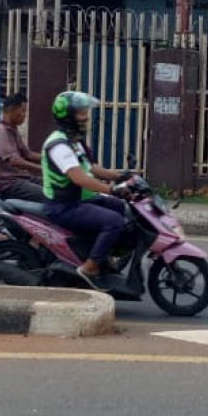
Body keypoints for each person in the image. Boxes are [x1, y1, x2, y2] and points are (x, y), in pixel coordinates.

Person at [40, 90, 135, 289]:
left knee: (119, 207)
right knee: (114, 222)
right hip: (63, 206)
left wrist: (121, 176)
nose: (86, 117)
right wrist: (111, 189)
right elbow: (79, 178)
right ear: (68, 117)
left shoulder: (73, 141)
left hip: (79, 199)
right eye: (81, 113)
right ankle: (90, 267)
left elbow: (91, 167)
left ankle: (100, 254)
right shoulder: (59, 145)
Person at [0, 93, 45, 203]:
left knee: (56, 188)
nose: (25, 115)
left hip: (22, 178)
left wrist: (50, 159)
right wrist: (42, 169)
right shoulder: (1, 131)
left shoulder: (12, 129)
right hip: (10, 183)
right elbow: (14, 161)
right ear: (11, 110)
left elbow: (28, 154)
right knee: (49, 196)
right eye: (23, 111)